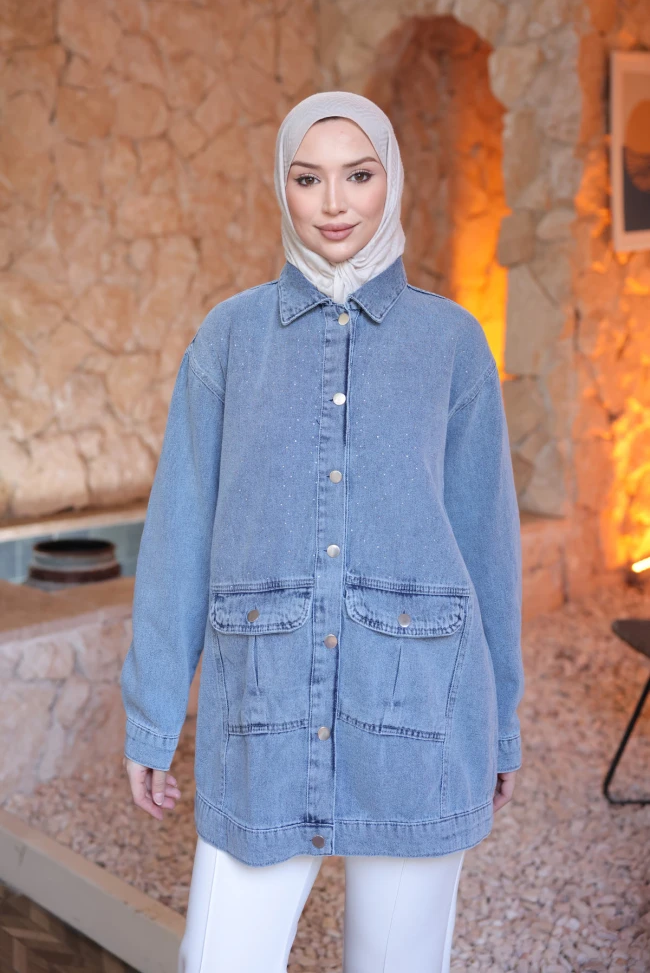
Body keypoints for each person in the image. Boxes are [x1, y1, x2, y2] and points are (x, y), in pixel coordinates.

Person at [120, 90, 524, 973]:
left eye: (358, 175)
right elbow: (179, 534)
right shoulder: (228, 339)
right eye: (308, 179)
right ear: (283, 187)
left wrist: (500, 725)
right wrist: (153, 715)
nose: (334, 203)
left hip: (419, 714)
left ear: (391, 181)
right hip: (260, 718)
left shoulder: (454, 344)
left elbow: (487, 545)